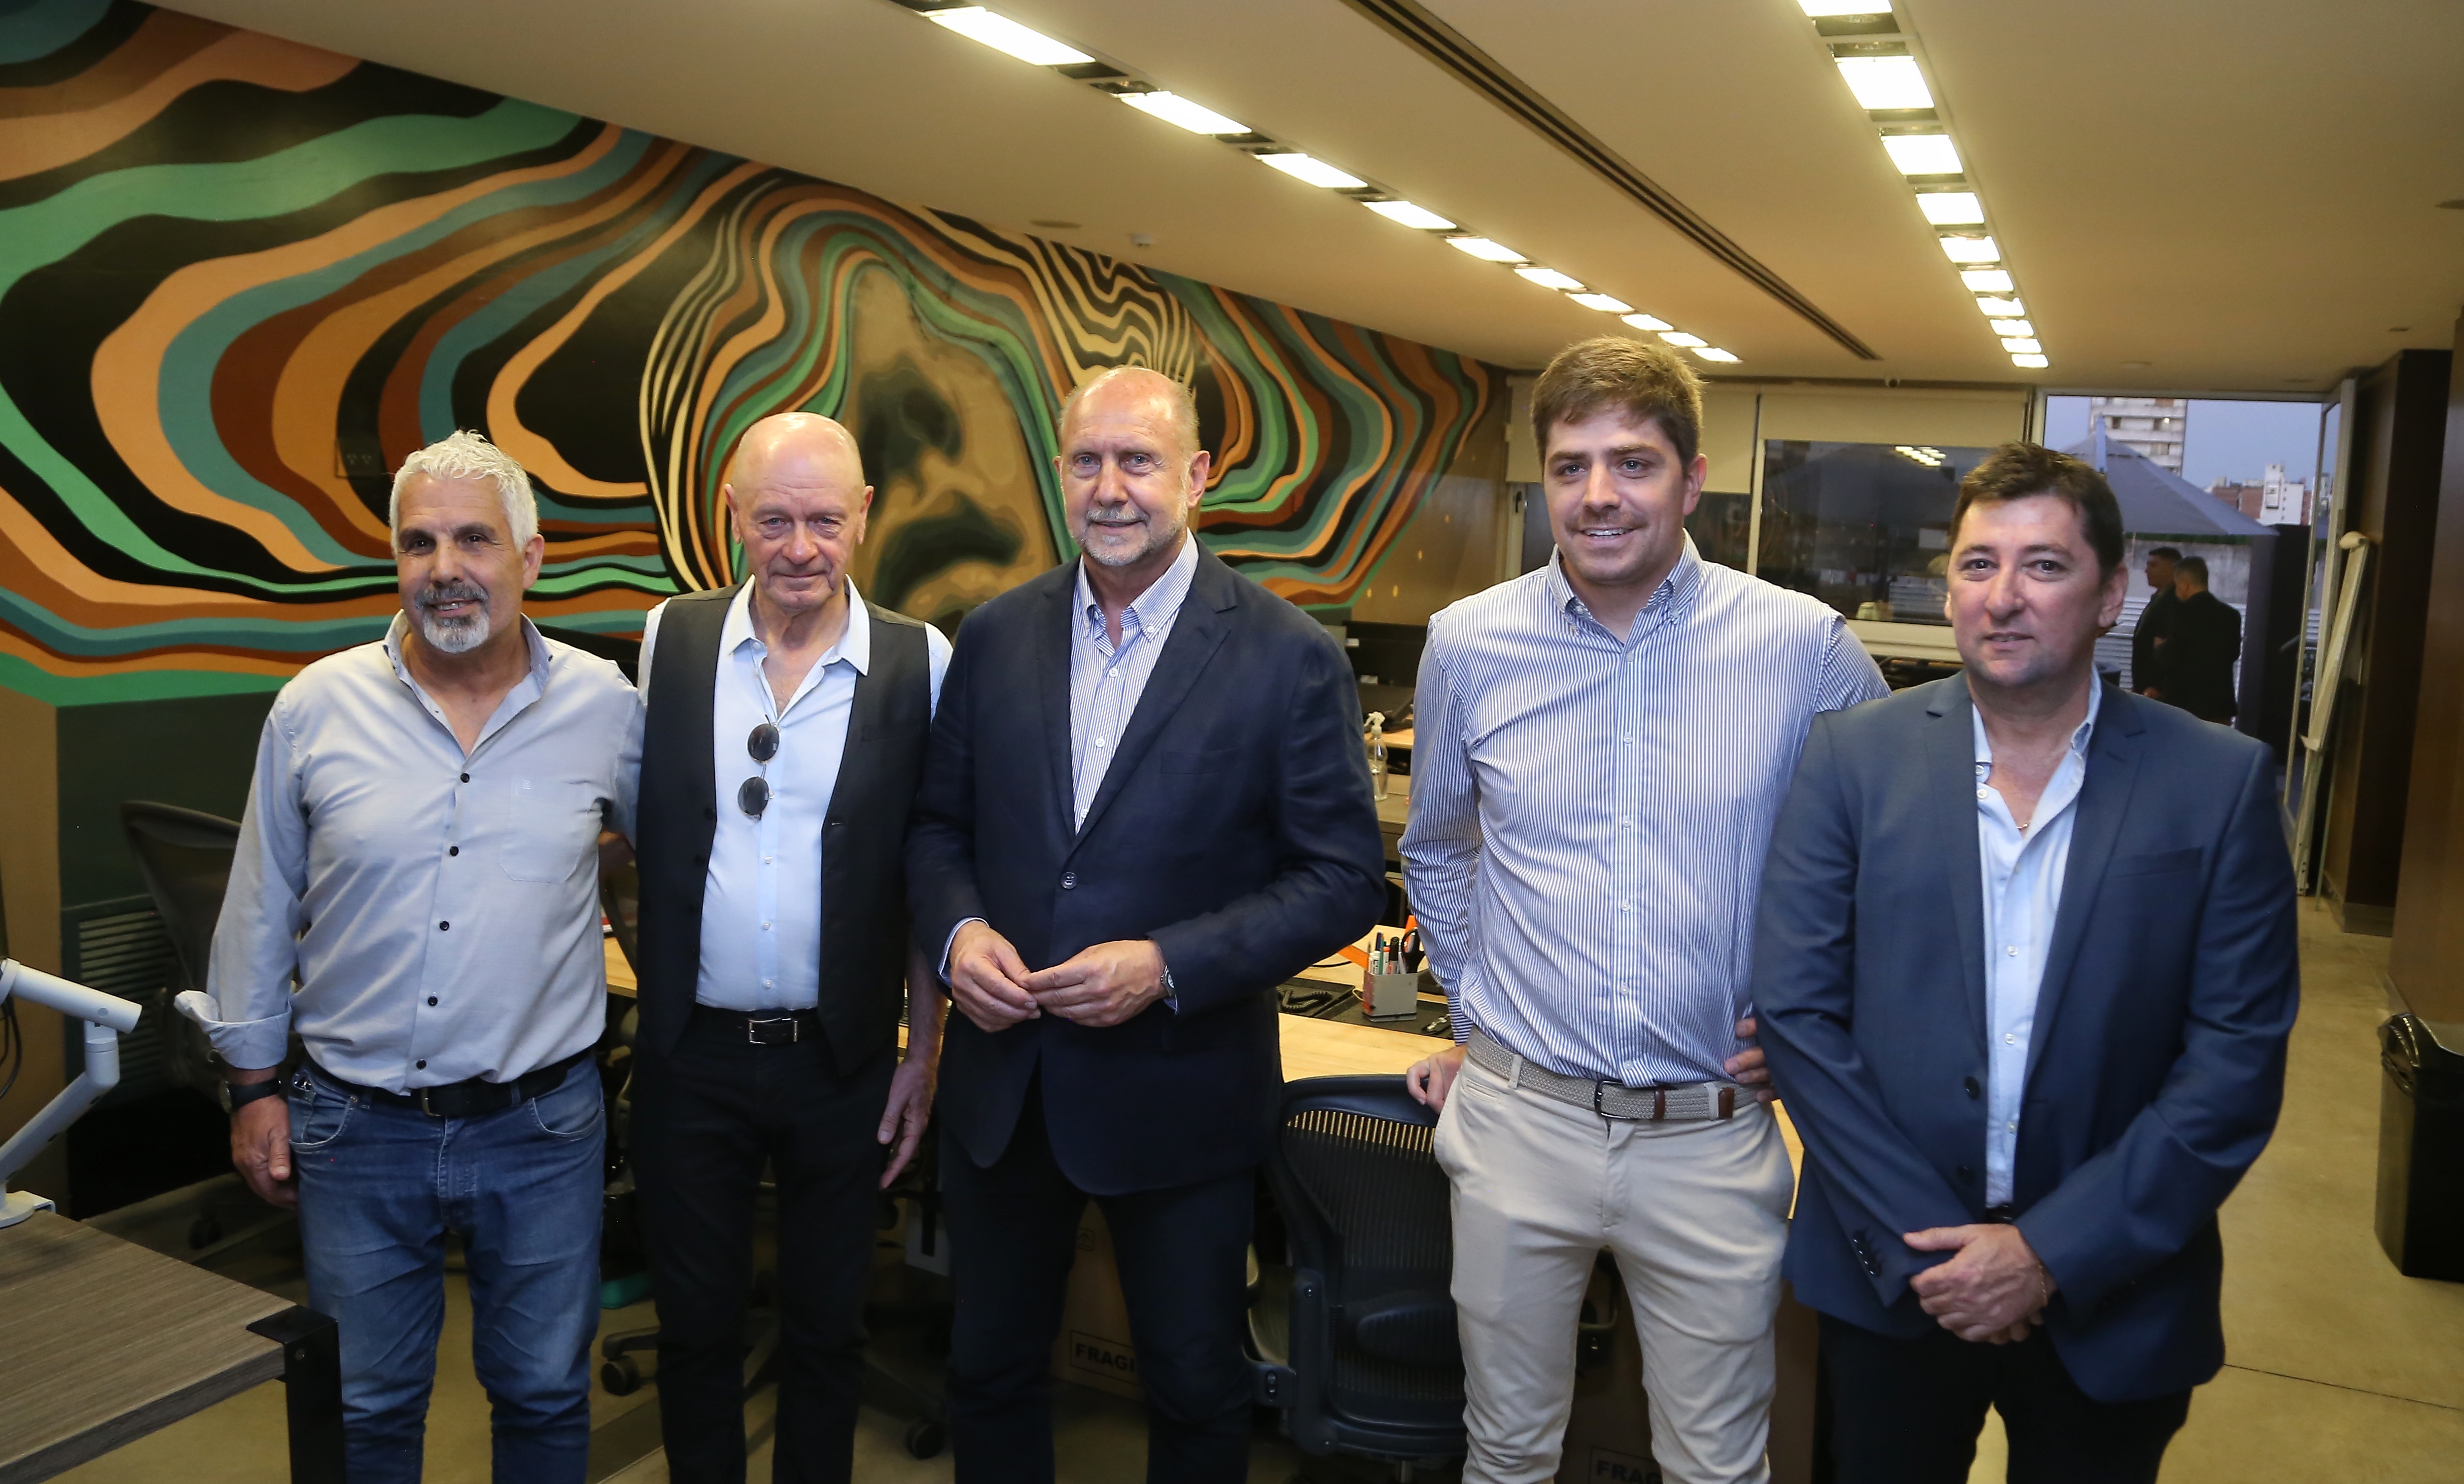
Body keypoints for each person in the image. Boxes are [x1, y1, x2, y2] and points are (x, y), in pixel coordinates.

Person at [1752, 442, 2298, 1482]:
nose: (2002, 596)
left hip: (2117, 1289)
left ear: (2110, 594)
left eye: (2043, 565)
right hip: (1894, 1280)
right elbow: (1796, 1014)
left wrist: (2046, 1254)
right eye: (1976, 564)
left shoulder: (2216, 784)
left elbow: (2234, 1061)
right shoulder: (1850, 759)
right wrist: (1938, 1248)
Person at [1399, 336, 1888, 1484]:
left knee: (1715, 1465)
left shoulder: (1802, 647)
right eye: (1570, 467)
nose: (1598, 495)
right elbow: (1439, 847)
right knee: (1503, 1452)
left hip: (1709, 1135)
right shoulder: (1467, 644)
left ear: (1691, 479)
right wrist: (1477, 1011)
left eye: (1632, 463)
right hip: (1520, 1125)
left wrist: (1816, 1023)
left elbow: (1891, 860)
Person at [906, 365, 1386, 1483]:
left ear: (1196, 475)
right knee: (987, 1371)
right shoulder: (993, 635)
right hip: (1007, 1089)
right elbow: (934, 829)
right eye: (1086, 460)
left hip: (1181, 1094)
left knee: (1194, 1388)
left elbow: (1341, 879)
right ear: (1058, 471)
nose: (1109, 487)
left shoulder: (1288, 656)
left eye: (1138, 460)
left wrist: (1169, 963)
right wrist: (958, 935)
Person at [179, 431, 642, 1484]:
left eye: (474, 539)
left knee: (544, 1394)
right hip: (355, 1126)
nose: (444, 567)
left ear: (530, 559)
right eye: (419, 542)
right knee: (365, 1408)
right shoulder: (316, 706)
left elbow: (667, 854)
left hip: (540, 1127)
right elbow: (257, 908)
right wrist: (251, 1087)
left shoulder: (607, 707)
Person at [630, 413, 952, 1484]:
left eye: (824, 519)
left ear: (864, 514)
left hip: (841, 1062)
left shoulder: (919, 661)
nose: (800, 548)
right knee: (694, 1330)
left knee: (827, 1329)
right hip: (690, 1056)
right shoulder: (669, 639)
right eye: (773, 521)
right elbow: (633, 827)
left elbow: (929, 874)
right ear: (731, 515)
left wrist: (921, 1052)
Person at [2160, 554, 2242, 723]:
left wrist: (2160, 648)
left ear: (2185, 585)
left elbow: (2169, 657)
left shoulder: (2181, 615)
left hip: (2184, 704)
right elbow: (2234, 654)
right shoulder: (2231, 615)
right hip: (2219, 705)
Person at [2130, 546, 2180, 696]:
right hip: (2144, 684)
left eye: (2154, 565)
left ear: (2171, 569)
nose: (2147, 571)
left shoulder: (2175, 602)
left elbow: (2173, 648)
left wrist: (2157, 685)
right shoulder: (2159, 598)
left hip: (2157, 688)